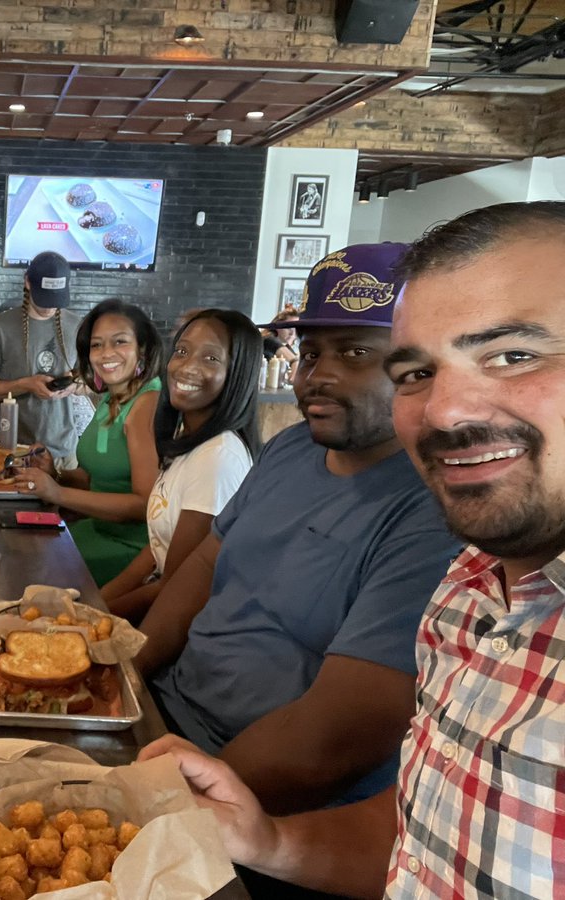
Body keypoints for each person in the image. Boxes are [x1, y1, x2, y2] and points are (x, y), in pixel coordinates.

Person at [141, 201, 565, 900]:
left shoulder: (440, 527)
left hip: (248, 781)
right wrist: (261, 837)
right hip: (184, 746)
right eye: (417, 372)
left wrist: (184, 811)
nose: (446, 409)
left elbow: (330, 745)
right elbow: (425, 830)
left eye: (512, 355)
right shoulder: (473, 586)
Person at [134, 243, 460, 821]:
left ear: (419, 367)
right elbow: (204, 567)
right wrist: (127, 677)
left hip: (260, 802)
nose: (318, 376)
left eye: (355, 352)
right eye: (309, 353)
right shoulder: (288, 449)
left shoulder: (437, 513)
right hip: (166, 721)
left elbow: (330, 745)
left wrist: (178, 808)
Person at [101, 309, 263, 621]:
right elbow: (157, 550)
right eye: (182, 351)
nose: (187, 367)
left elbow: (176, 587)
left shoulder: (218, 458)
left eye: (210, 358)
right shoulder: (189, 440)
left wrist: (96, 618)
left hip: (183, 626)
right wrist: (96, 601)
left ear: (238, 373)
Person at [18, 299, 162, 584]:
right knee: (21, 547)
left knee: (28, 564)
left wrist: (57, 493)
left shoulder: (146, 403)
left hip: (134, 549)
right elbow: (96, 479)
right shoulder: (111, 397)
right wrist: (55, 473)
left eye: (119, 341)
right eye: (97, 345)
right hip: (97, 530)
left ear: (142, 348)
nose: (106, 353)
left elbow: (144, 505)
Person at [0, 251, 83, 464]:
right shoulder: (0, 327)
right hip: (14, 450)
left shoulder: (77, 325)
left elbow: (91, 382)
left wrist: (74, 386)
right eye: (44, 299)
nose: (49, 307)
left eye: (55, 300)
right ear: (27, 282)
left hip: (64, 451)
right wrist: (25, 384)